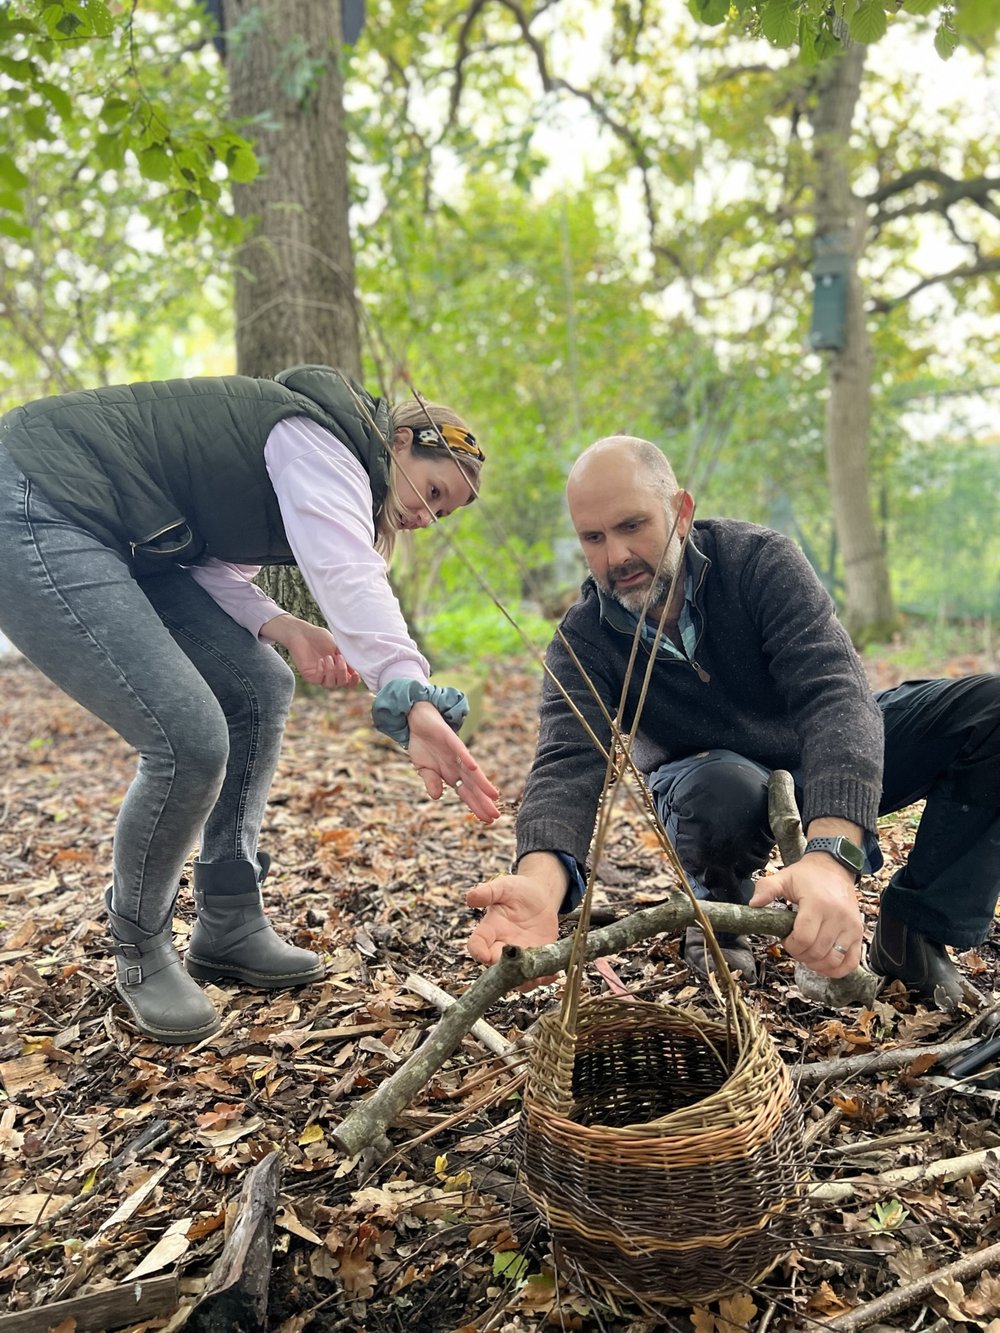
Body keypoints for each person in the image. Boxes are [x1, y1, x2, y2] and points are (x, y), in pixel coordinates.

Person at [0, 364, 500, 1044]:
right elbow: (346, 571)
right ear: (403, 440)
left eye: (441, 513)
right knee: (188, 739)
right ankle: (140, 945)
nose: (424, 514)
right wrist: (410, 694)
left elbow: (213, 561)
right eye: (433, 489)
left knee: (261, 684)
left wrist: (281, 624)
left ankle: (228, 918)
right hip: (40, 496)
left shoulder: (318, 454)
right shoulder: (323, 442)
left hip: (134, 542)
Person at [466, 434, 1000, 1010]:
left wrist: (830, 857)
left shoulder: (758, 562)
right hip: (708, 781)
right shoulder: (584, 638)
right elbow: (567, 762)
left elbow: (834, 695)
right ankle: (719, 911)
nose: (615, 556)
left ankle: (915, 930)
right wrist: (542, 886)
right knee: (719, 790)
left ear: (682, 511)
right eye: (592, 538)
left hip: (810, 750)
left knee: (989, 713)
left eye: (632, 525)